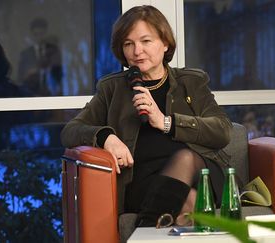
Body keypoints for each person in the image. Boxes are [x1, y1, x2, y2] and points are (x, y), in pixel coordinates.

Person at [60, 5, 232, 242]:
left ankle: (145, 232)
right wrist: (106, 137)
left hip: (199, 174)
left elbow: (223, 131)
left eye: (145, 41)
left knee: (186, 159)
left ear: (165, 44)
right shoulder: (112, 89)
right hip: (142, 183)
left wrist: (165, 122)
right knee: (189, 201)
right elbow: (71, 131)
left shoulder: (191, 82)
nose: (136, 51)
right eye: (128, 44)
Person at [17, 17, 62, 96]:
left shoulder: (54, 50)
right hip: (31, 95)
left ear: (45, 33)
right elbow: (20, 78)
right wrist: (30, 74)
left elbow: (60, 75)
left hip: (53, 95)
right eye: (36, 34)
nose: (39, 37)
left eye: (41, 34)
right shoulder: (25, 54)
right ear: (32, 35)